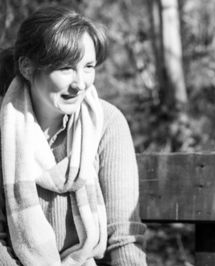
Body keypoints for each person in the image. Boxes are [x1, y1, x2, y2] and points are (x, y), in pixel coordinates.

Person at [0, 5, 147, 266]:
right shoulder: (4, 129)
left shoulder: (108, 123)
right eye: (66, 68)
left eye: (88, 66)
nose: (81, 83)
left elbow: (124, 238)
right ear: (27, 67)